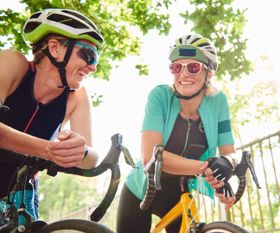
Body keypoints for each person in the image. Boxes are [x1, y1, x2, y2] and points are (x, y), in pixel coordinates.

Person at [116, 34, 237, 233]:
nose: (184, 74)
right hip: (142, 189)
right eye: (177, 67)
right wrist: (206, 168)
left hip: (180, 191)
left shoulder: (218, 102)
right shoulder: (160, 96)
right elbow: (150, 157)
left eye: (193, 67)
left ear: (210, 73)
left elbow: (229, 152)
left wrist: (225, 169)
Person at [0, 8, 104, 221]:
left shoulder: (77, 97)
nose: (93, 67)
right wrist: (49, 149)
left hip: (18, 194)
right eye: (88, 55)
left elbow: (91, 159)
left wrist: (78, 149)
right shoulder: (13, 63)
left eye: (97, 59)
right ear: (55, 48)